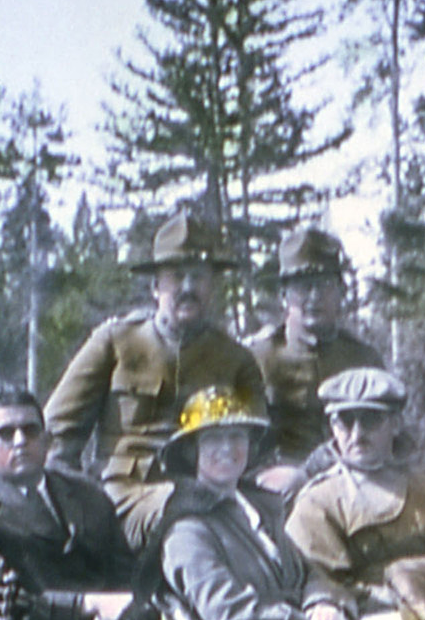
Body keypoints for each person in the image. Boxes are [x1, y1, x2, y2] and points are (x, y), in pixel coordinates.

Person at [44, 210, 266, 550]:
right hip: (122, 496)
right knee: (190, 520)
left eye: (199, 277)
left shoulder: (236, 359)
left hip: (210, 492)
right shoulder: (115, 343)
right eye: (177, 276)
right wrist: (69, 505)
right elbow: (57, 437)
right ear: (155, 286)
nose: (188, 287)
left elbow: (256, 446)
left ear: (213, 287)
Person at [150, 387, 368, 620]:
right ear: (192, 451)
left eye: (237, 436)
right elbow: (227, 610)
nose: (227, 448)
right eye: (213, 438)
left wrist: (323, 605)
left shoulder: (261, 508)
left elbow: (306, 571)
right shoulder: (187, 529)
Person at [0, 384, 158, 620]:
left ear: (47, 441)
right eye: (6, 434)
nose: (20, 441)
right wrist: (86, 605)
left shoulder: (88, 496)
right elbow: (3, 601)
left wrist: (135, 607)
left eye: (30, 431)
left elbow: (125, 574)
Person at [286, 367, 425, 620]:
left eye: (371, 420)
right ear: (333, 427)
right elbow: (319, 584)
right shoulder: (318, 502)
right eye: (346, 421)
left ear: (395, 424)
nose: (358, 435)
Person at [248, 225, 385, 473]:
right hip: (280, 481)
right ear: (283, 295)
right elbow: (243, 443)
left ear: (341, 291)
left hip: (353, 475)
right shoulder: (259, 359)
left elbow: (389, 436)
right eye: (302, 286)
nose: (314, 296)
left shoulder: (363, 360)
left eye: (324, 284)